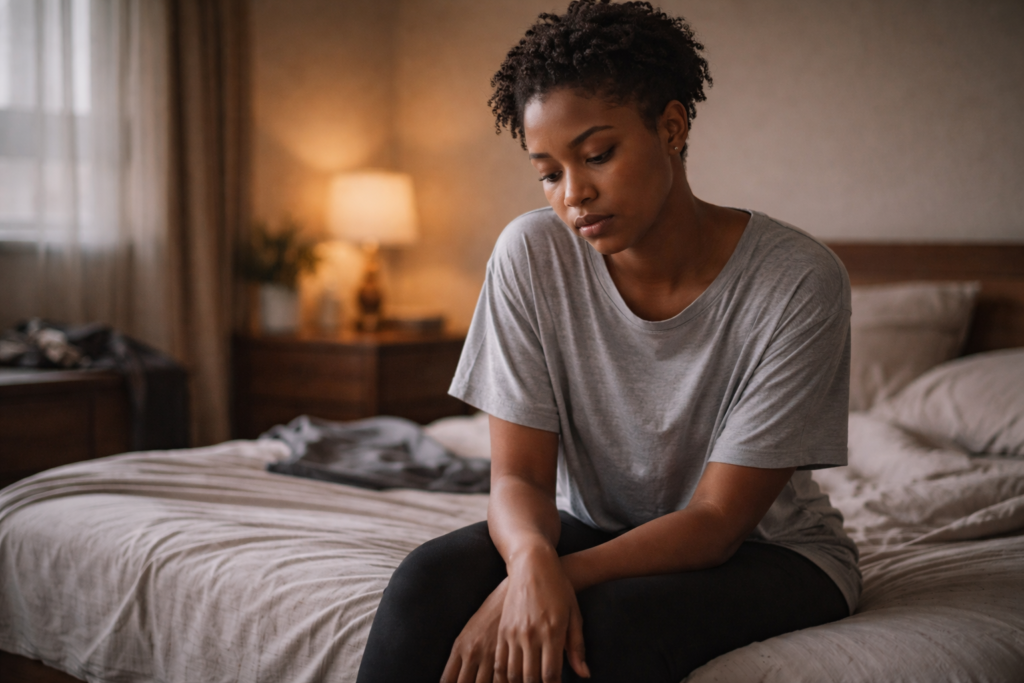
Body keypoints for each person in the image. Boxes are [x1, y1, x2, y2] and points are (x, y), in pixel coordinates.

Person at [356, 1, 859, 681]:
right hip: (594, 526)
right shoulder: (530, 256)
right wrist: (532, 561)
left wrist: (548, 578)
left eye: (597, 155)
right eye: (548, 171)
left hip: (770, 551)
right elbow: (520, 475)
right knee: (425, 582)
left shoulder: (797, 280)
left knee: (603, 625)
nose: (573, 195)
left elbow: (715, 520)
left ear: (672, 126)